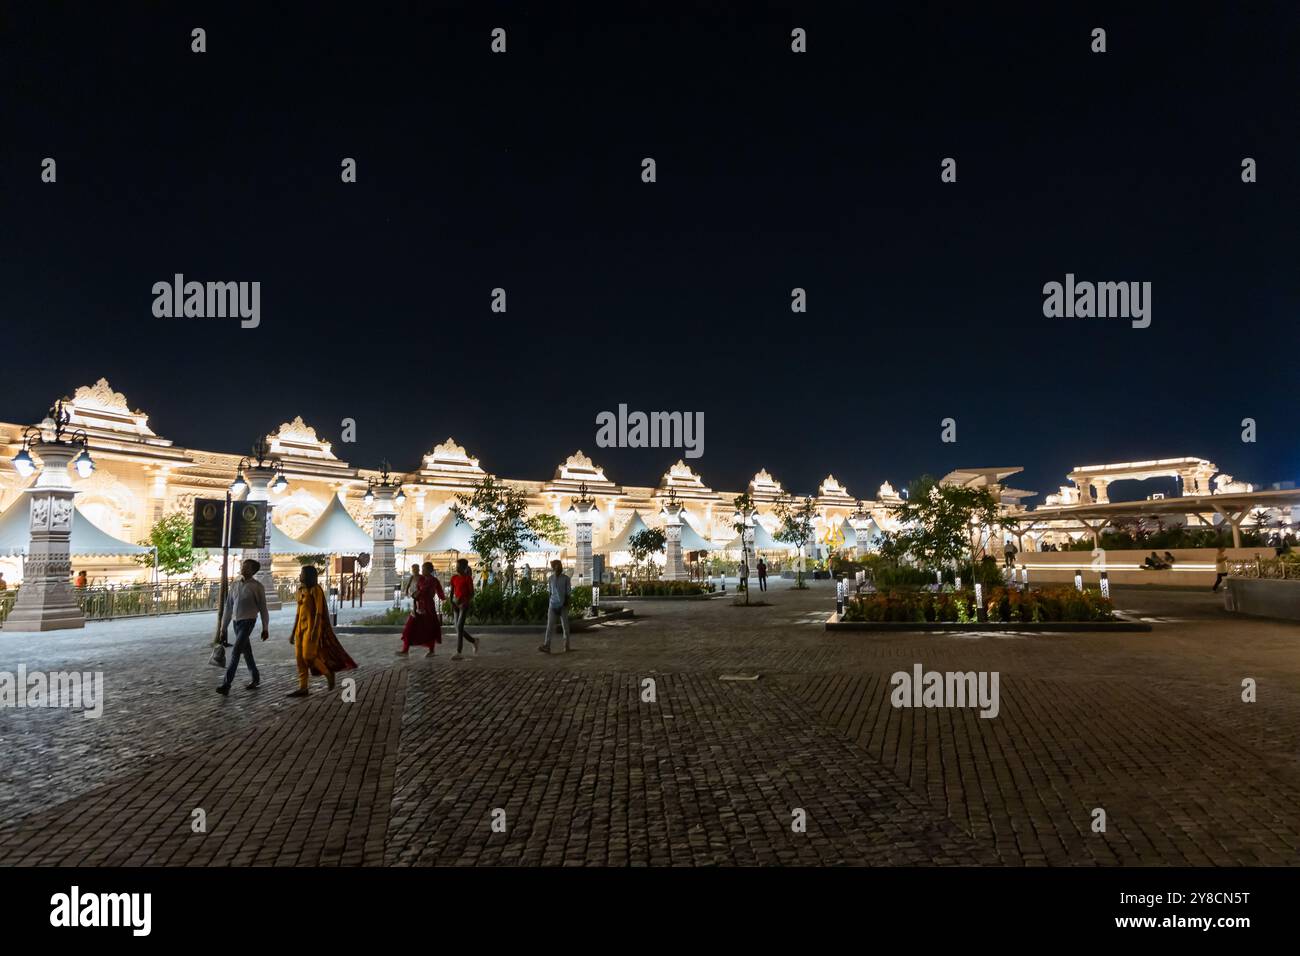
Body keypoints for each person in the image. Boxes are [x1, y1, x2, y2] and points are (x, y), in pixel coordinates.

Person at [288, 564, 356, 697]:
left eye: (302, 573)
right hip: (300, 629)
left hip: (312, 627)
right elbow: (298, 612)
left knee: (309, 656)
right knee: (299, 658)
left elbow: (319, 612)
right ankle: (303, 687)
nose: (300, 576)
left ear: (308, 575)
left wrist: (315, 630)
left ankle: (328, 673)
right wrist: (292, 632)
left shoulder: (316, 590)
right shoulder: (300, 590)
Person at [216, 559, 270, 695]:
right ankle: (255, 678)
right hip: (236, 622)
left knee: (236, 652)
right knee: (247, 652)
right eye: (242, 566)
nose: (243, 568)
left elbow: (263, 608)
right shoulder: (235, 584)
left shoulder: (257, 587)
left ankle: (226, 684)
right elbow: (229, 607)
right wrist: (223, 628)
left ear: (253, 571)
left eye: (246, 567)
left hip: (248, 621)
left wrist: (265, 627)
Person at [398, 562, 445, 657]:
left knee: (429, 628)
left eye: (423, 569)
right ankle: (405, 649)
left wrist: (446, 600)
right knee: (410, 627)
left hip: (428, 607)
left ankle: (431, 650)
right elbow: (418, 591)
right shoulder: (421, 579)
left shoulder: (433, 580)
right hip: (418, 606)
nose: (421, 571)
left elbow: (438, 593)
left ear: (429, 570)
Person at [539, 559, 572, 654]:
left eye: (559, 566)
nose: (557, 568)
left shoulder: (566, 579)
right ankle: (547, 645)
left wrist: (566, 603)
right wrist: (550, 603)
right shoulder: (550, 579)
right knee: (549, 626)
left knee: (565, 626)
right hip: (553, 604)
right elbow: (550, 592)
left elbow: (568, 593)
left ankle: (567, 646)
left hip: (563, 605)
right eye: (555, 566)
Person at [449, 558, 479, 659]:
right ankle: (474, 641)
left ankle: (459, 652)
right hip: (456, 603)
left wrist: (465, 601)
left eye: (458, 566)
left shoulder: (467, 578)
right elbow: (452, 592)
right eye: (456, 566)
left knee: (460, 627)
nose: (456, 568)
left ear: (464, 567)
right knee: (457, 628)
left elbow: (472, 594)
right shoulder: (454, 578)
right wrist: (451, 602)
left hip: (464, 604)